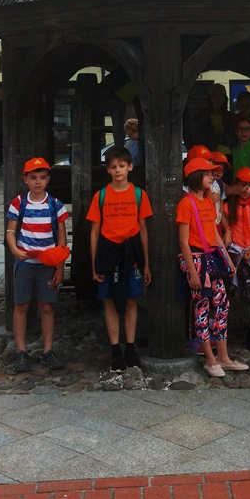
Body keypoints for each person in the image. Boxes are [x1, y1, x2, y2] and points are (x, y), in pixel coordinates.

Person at [177, 157, 247, 378]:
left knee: (222, 304)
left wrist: (227, 258)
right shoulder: (186, 204)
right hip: (196, 259)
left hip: (212, 257)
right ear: (195, 177)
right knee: (202, 307)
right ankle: (210, 359)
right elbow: (183, 241)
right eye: (207, 174)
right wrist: (192, 271)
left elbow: (215, 234)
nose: (211, 177)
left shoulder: (208, 201)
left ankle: (223, 357)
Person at [86, 146, 153, 372]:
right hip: (108, 253)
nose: (118, 170)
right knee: (109, 300)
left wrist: (146, 263)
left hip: (131, 253)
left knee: (132, 300)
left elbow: (143, 230)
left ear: (130, 167)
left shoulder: (139, 195)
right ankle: (115, 350)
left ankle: (130, 349)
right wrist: (94, 264)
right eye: (113, 167)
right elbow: (94, 232)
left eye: (122, 166)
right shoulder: (101, 196)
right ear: (107, 170)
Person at [6, 157, 69, 373]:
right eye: (33, 178)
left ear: (48, 179)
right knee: (21, 305)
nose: (38, 182)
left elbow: (62, 239)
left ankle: (48, 350)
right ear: (25, 179)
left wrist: (60, 266)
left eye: (42, 177)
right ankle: (21, 351)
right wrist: (15, 250)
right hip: (25, 263)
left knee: (47, 306)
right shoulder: (19, 203)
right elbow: (11, 231)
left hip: (46, 265)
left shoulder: (55, 205)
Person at [223, 167, 250, 351]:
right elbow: (224, 224)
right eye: (243, 184)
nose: (246, 189)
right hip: (239, 254)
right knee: (249, 294)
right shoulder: (228, 206)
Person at [193, 83, 231, 153]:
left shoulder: (229, 117)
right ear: (210, 98)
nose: (218, 99)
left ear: (224, 99)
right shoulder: (202, 115)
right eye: (215, 96)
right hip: (206, 153)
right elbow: (198, 138)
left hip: (226, 153)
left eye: (221, 96)